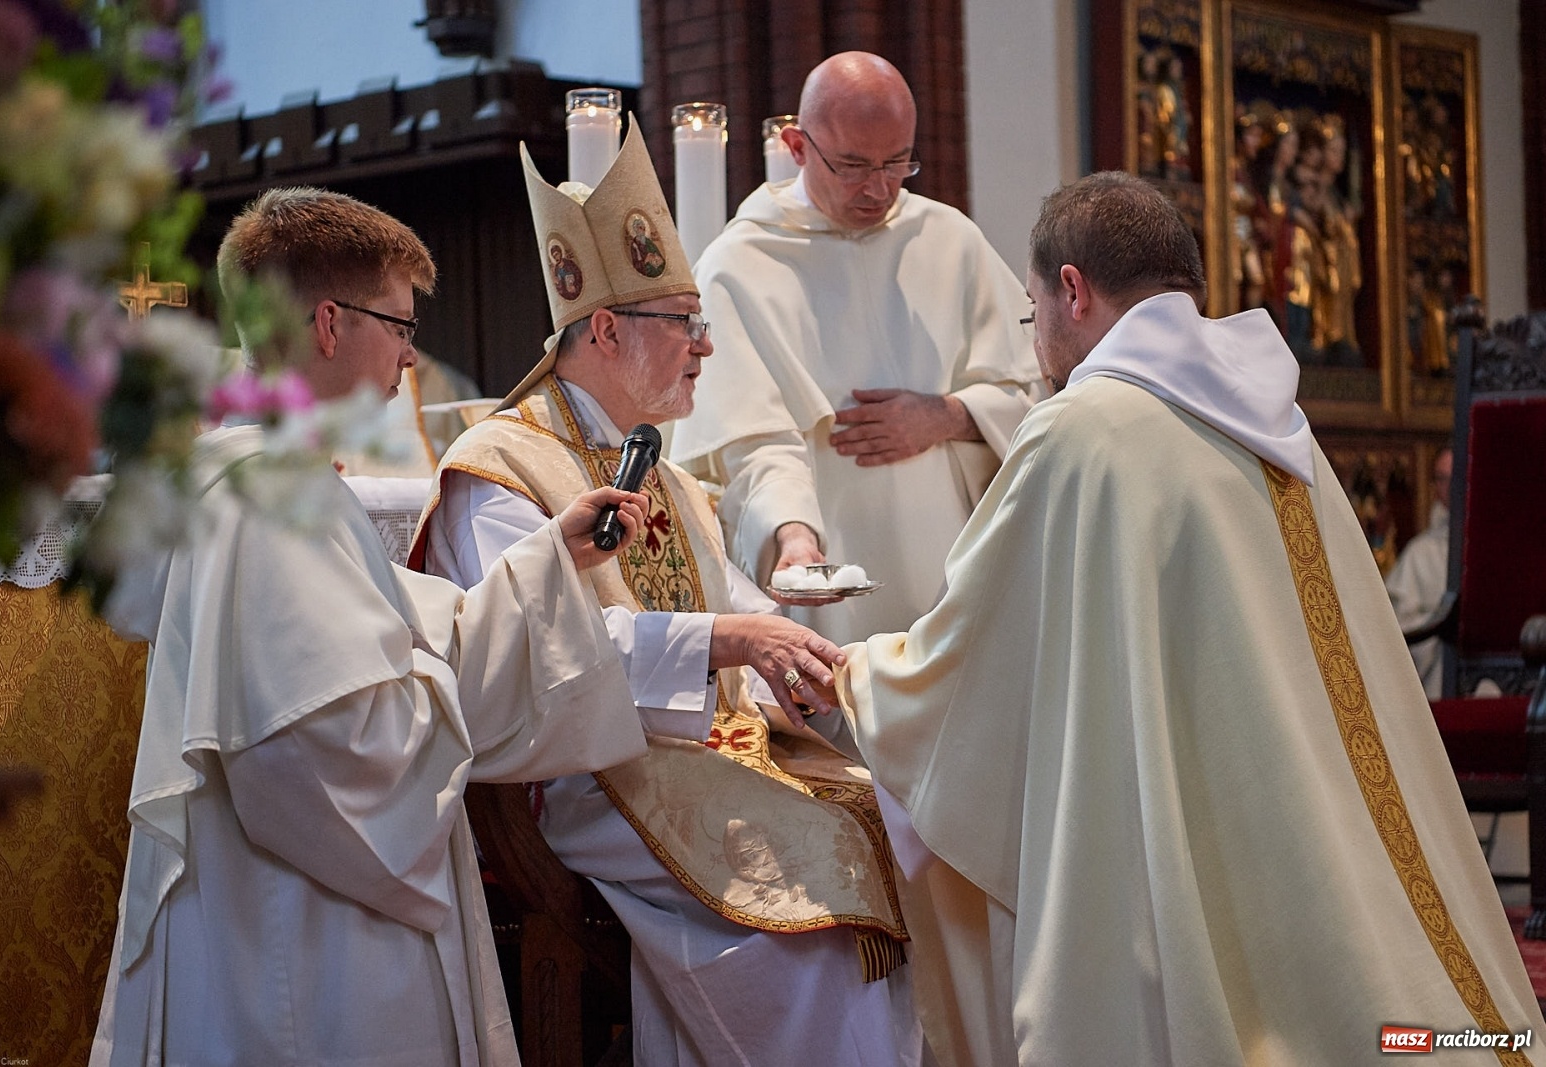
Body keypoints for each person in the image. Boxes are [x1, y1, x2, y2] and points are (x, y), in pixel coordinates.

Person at [833, 172, 1545, 1065]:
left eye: (1031, 309)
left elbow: (969, 652)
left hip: (1184, 809)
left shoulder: (1079, 430)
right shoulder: (1273, 419)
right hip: (1290, 797)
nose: (1037, 339)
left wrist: (855, 673)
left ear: (1071, 290)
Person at [90, 187, 656, 1067]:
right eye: (396, 323)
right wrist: (436, 704)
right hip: (307, 947)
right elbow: (317, 747)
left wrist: (550, 558)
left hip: (292, 917)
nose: (407, 354)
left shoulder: (274, 481)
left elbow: (394, 630)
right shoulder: (268, 501)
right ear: (327, 323)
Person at [409, 124, 921, 1067]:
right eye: (686, 321)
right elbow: (529, 651)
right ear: (605, 328)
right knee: (817, 938)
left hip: (711, 755)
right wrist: (730, 639)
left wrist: (799, 672)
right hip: (589, 774)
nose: (707, 345)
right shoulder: (500, 469)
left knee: (908, 833)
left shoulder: (670, 476)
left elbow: (737, 616)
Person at [670, 51, 1045, 645]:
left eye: (898, 162)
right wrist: (793, 537)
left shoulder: (950, 241)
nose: (879, 187)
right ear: (797, 147)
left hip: (955, 574)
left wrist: (947, 416)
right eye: (853, 165)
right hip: (828, 574)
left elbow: (1039, 392)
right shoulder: (739, 265)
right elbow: (752, 444)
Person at [1386, 445, 1454, 698]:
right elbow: (1395, 627)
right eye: (1441, 478)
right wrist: (1440, 624)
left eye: (1453, 477)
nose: (1447, 486)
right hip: (1436, 679)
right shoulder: (1420, 552)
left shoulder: (1496, 545)